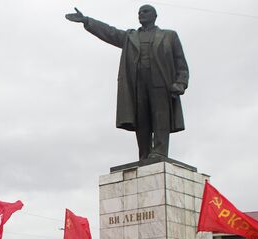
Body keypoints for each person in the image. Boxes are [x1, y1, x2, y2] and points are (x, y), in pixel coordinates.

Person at [65, 5, 189, 161]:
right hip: (137, 84)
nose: (141, 14)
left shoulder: (169, 36)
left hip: (161, 84)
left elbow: (181, 63)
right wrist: (87, 21)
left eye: (145, 12)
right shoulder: (130, 37)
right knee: (141, 119)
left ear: (155, 16)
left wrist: (181, 82)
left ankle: (160, 151)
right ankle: (144, 154)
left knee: (160, 118)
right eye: (139, 12)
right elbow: (110, 32)